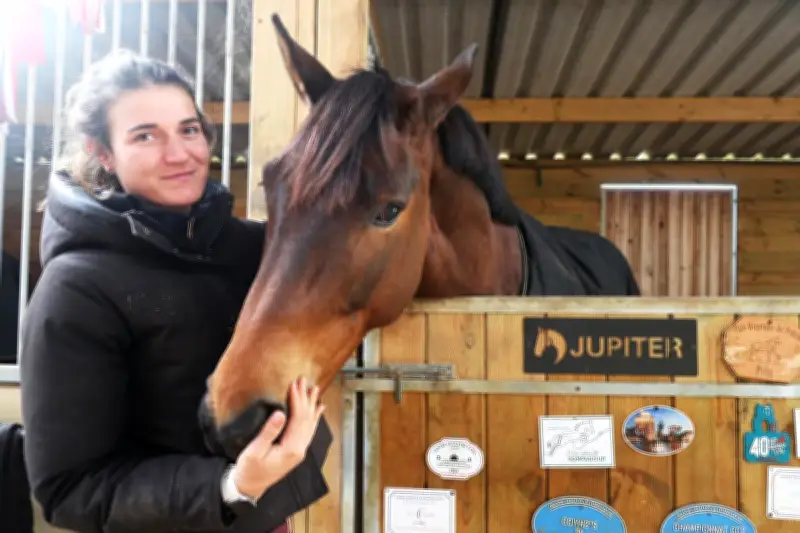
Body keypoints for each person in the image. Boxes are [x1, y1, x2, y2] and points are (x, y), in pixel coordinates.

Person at [18, 49, 332, 533]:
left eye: (189, 130)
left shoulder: (249, 248)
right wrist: (231, 487)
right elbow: (69, 489)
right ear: (102, 153)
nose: (180, 154)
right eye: (145, 136)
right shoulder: (76, 289)